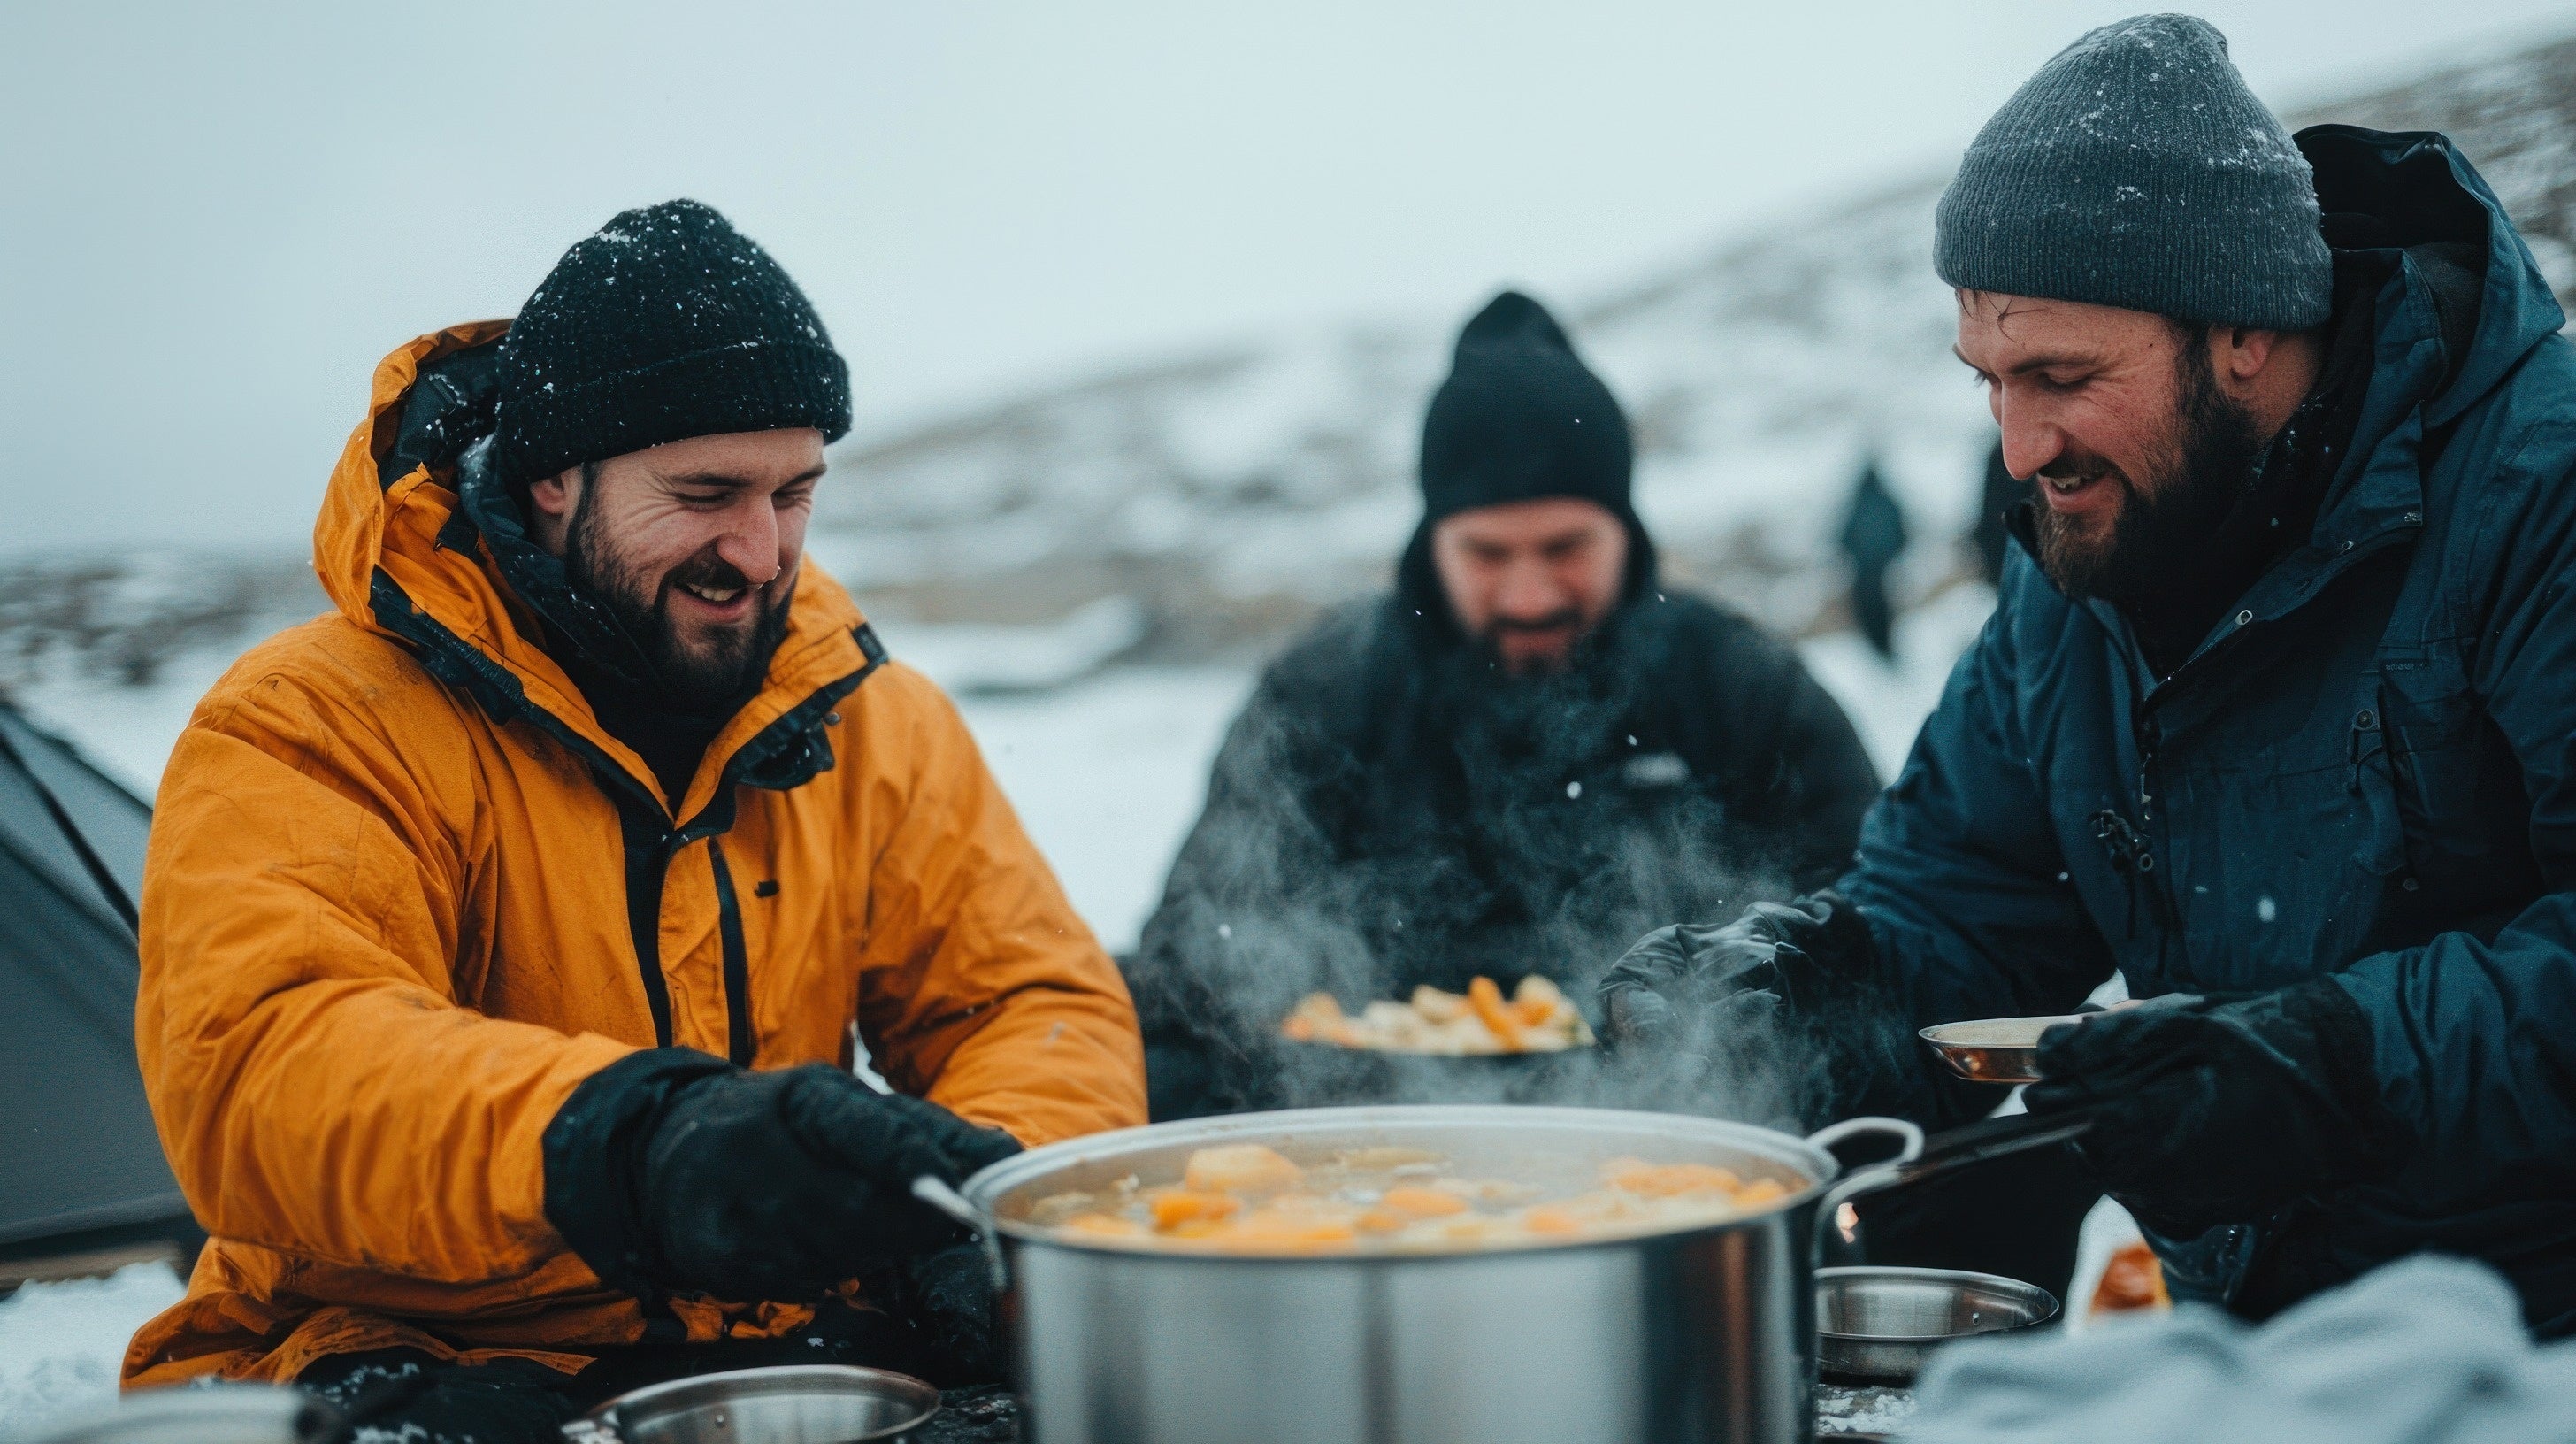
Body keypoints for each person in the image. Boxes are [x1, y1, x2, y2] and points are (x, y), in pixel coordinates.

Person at [1602, 14, 2576, 1331]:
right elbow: (1969, 897)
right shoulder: (2085, 566)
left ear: (2243, 327)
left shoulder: (2537, 500)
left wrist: (2336, 1062)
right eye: (1991, 380)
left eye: (2061, 376)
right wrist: (1819, 1001)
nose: (2016, 447)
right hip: (2264, 1353)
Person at [122, 200, 1146, 1439]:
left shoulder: (874, 720)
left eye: (796, 493)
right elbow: (259, 1070)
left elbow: (1026, 999)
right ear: (554, 474)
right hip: (405, 1353)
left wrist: (985, 1199)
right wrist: (631, 1148)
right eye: (708, 492)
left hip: (782, 1340)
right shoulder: (315, 719)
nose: (762, 551)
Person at [1125, 291, 1882, 1121]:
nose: (1527, 594)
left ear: (1624, 531)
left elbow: (1864, 922)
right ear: (1432, 540)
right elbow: (1193, 953)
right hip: (1369, 1129)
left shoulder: (1737, 684)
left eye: (1565, 549)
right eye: (1487, 554)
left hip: (1675, 1125)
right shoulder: (1325, 691)